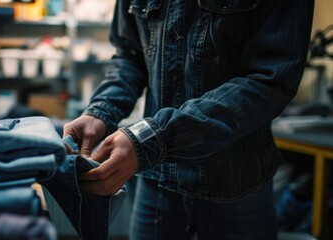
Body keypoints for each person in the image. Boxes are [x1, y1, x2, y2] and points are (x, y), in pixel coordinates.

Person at [63, 0, 314, 239]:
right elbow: (130, 55)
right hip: (157, 181)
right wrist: (100, 111)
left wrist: (154, 139)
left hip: (237, 182)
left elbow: (272, 79)